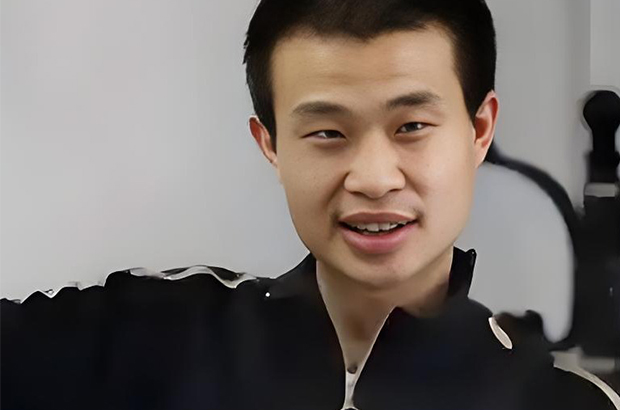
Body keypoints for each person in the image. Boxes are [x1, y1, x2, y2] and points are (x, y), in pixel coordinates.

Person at [1, 0, 618, 409]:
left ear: (479, 130)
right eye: (327, 132)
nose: (374, 179)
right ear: (270, 144)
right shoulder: (152, 337)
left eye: (411, 127)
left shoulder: (561, 403)